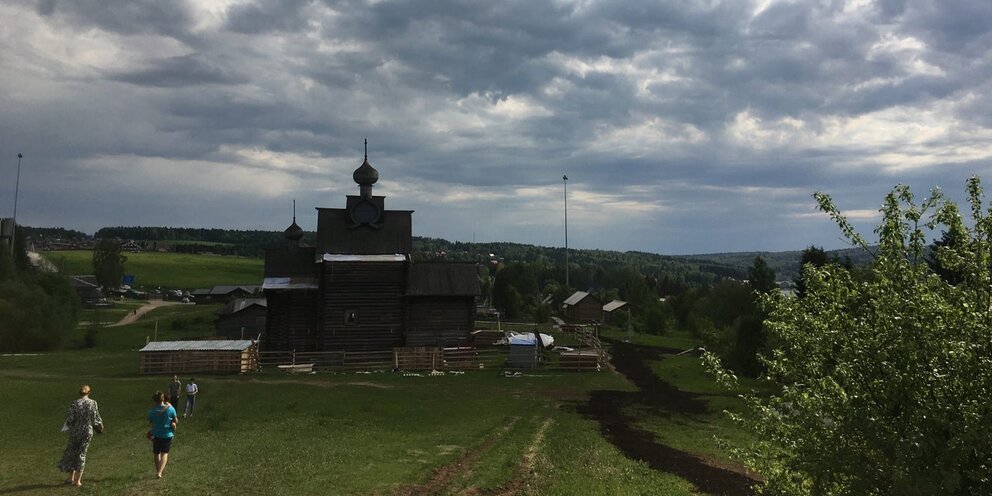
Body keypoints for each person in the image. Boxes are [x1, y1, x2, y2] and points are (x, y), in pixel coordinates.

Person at [58, 385, 104, 486]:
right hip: (87, 431)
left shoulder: (74, 403)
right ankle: (77, 480)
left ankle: (70, 478)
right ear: (89, 392)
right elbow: (95, 418)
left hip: (75, 431)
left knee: (72, 452)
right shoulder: (93, 403)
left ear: (79, 393)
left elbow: (70, 419)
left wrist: (68, 426)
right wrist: (100, 426)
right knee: (82, 454)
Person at [148, 391, 178, 478]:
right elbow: (176, 420)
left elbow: (150, 421)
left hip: (155, 434)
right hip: (167, 434)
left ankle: (158, 470)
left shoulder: (151, 411)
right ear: (163, 399)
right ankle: (159, 472)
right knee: (164, 453)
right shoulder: (171, 409)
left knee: (156, 453)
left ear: (154, 401)